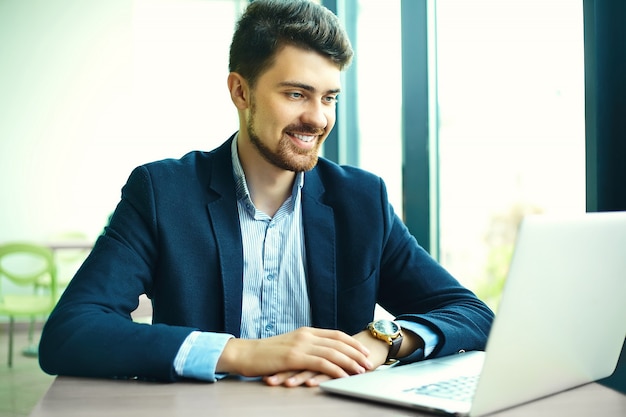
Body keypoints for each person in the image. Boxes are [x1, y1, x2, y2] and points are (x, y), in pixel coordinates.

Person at [39, 0, 494, 387]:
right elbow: (70, 333)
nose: (317, 118)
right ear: (241, 91)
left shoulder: (361, 199)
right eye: (296, 94)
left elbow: (471, 313)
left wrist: (382, 339)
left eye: (329, 97)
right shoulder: (162, 192)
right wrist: (242, 354)